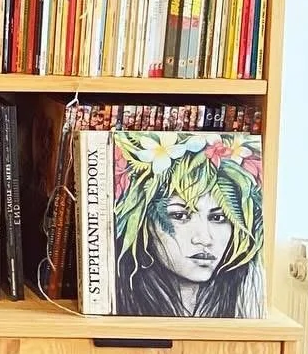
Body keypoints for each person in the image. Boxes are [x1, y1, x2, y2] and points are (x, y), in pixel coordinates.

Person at [111, 131, 263, 318]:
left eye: (218, 218)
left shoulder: (245, 301)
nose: (204, 239)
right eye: (180, 215)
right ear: (144, 222)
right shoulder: (122, 301)